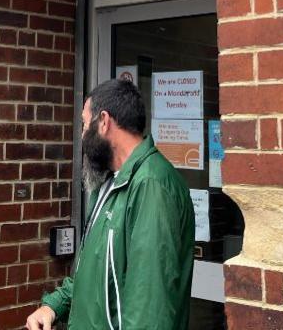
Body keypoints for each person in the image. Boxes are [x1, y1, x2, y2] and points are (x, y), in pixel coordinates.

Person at [26, 79, 195, 330]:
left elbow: (149, 310)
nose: (82, 135)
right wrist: (54, 305)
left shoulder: (151, 186)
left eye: (84, 125)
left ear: (103, 122)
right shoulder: (111, 183)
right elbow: (97, 275)